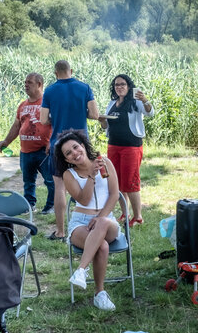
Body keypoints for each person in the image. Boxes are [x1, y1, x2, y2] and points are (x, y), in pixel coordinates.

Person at [56, 130, 120, 311]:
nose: (75, 153)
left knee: (102, 223)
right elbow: (83, 200)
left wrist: (100, 217)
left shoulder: (104, 163)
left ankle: (80, 270)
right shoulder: (69, 175)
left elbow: (114, 195)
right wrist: (91, 176)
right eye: (68, 153)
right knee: (102, 246)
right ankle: (100, 294)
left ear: (83, 146)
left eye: (76, 147)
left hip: (107, 219)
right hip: (81, 222)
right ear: (67, 159)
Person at [39, 59, 101, 240]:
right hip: (81, 145)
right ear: (71, 71)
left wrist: (56, 117)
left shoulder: (50, 90)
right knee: (89, 182)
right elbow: (95, 114)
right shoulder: (84, 87)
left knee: (60, 187)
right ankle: (93, 226)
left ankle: (60, 231)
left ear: (55, 73)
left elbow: (43, 120)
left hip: (59, 145)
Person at [98, 74, 154, 227]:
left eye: (123, 84)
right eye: (117, 85)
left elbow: (150, 112)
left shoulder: (135, 102)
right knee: (118, 182)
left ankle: (138, 217)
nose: (119, 87)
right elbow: (106, 127)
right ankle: (125, 213)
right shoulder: (112, 103)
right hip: (113, 145)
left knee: (131, 183)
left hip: (131, 146)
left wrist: (145, 100)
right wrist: (102, 121)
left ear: (128, 86)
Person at [0, 72, 55, 214]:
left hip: (44, 151)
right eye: (25, 82)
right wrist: (6, 142)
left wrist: (52, 142)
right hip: (26, 151)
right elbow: (16, 126)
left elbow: (57, 124)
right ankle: (29, 205)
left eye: (30, 82)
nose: (26, 85)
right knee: (28, 181)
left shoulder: (48, 103)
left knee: (50, 181)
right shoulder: (23, 105)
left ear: (39, 84)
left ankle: (51, 206)